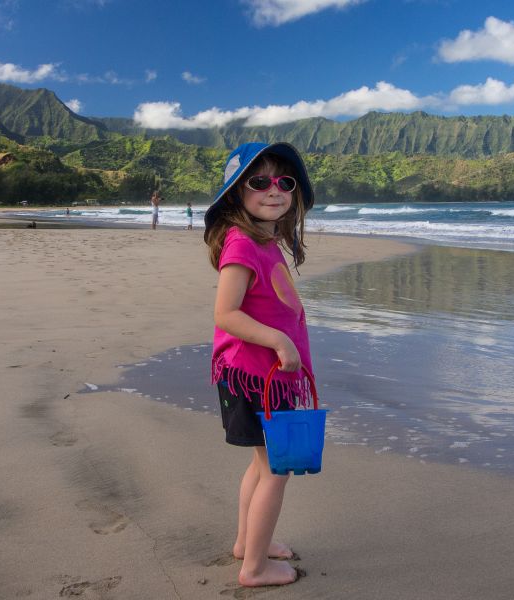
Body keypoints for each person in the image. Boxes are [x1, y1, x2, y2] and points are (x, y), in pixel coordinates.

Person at [204, 142, 315, 588]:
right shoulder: (242, 244)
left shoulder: (266, 241)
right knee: (276, 469)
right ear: (236, 192)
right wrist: (279, 340)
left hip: (260, 377)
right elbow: (225, 314)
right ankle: (254, 568)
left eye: (285, 182)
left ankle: (247, 542)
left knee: (260, 464)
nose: (275, 190)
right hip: (254, 377)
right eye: (260, 181)